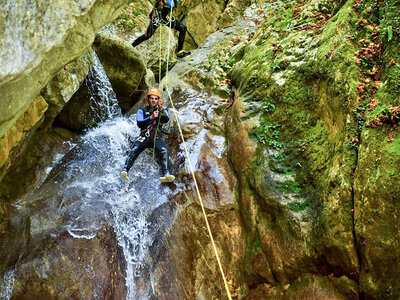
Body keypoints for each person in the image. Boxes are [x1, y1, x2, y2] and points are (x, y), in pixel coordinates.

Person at [120, 88, 175, 183]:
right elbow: (139, 123)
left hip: (155, 137)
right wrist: (151, 117)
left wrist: (161, 109)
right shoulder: (142, 110)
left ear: (158, 100)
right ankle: (125, 170)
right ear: (148, 99)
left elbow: (166, 119)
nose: (154, 100)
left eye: (156, 99)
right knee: (135, 148)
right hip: (145, 136)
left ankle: (165, 173)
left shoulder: (161, 110)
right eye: (152, 98)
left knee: (163, 150)